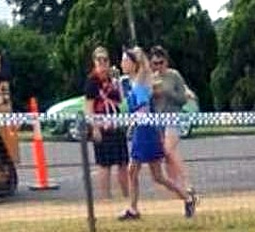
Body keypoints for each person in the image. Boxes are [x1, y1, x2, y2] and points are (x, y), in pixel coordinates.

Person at [118, 47, 198, 220]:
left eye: (125, 60)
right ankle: (186, 198)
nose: (122, 64)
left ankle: (134, 208)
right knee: (157, 176)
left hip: (147, 131)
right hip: (141, 128)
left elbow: (145, 69)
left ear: (134, 63)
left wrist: (139, 55)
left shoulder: (143, 77)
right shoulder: (130, 81)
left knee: (136, 170)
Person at [84, 47, 129, 200]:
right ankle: (106, 198)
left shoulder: (112, 80)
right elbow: (88, 108)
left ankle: (126, 195)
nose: (103, 63)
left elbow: (120, 100)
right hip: (102, 125)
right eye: (99, 60)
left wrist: (118, 82)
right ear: (94, 62)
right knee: (105, 164)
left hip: (116, 123)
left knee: (123, 162)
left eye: (105, 60)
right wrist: (95, 128)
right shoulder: (92, 82)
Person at [150, 45, 194, 195]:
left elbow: (183, 99)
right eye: (155, 63)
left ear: (166, 62)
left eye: (161, 63)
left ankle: (187, 182)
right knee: (166, 155)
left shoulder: (174, 76)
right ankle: (179, 190)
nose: (158, 67)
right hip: (158, 120)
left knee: (170, 149)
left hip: (173, 117)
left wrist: (168, 92)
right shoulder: (150, 78)